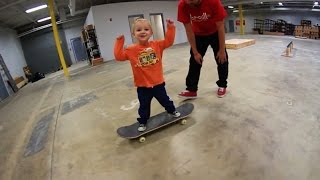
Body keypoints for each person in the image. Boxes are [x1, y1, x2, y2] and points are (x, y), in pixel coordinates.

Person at [114, 18, 180, 132]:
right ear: (134, 34)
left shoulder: (157, 45)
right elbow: (118, 56)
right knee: (144, 106)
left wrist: (170, 27)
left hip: (158, 83)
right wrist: (120, 41)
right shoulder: (131, 50)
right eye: (139, 30)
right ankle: (143, 122)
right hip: (142, 86)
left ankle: (172, 110)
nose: (143, 31)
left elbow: (169, 41)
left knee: (165, 100)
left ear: (151, 32)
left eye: (146, 29)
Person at [177, 0, 229, 98]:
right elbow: (189, 30)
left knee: (222, 59)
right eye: (188, 1)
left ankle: (222, 85)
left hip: (215, 33)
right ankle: (191, 90)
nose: (190, 4)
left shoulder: (213, 2)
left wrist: (222, 50)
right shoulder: (183, 5)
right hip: (198, 35)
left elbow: (221, 27)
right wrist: (195, 52)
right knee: (194, 61)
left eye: (193, 1)